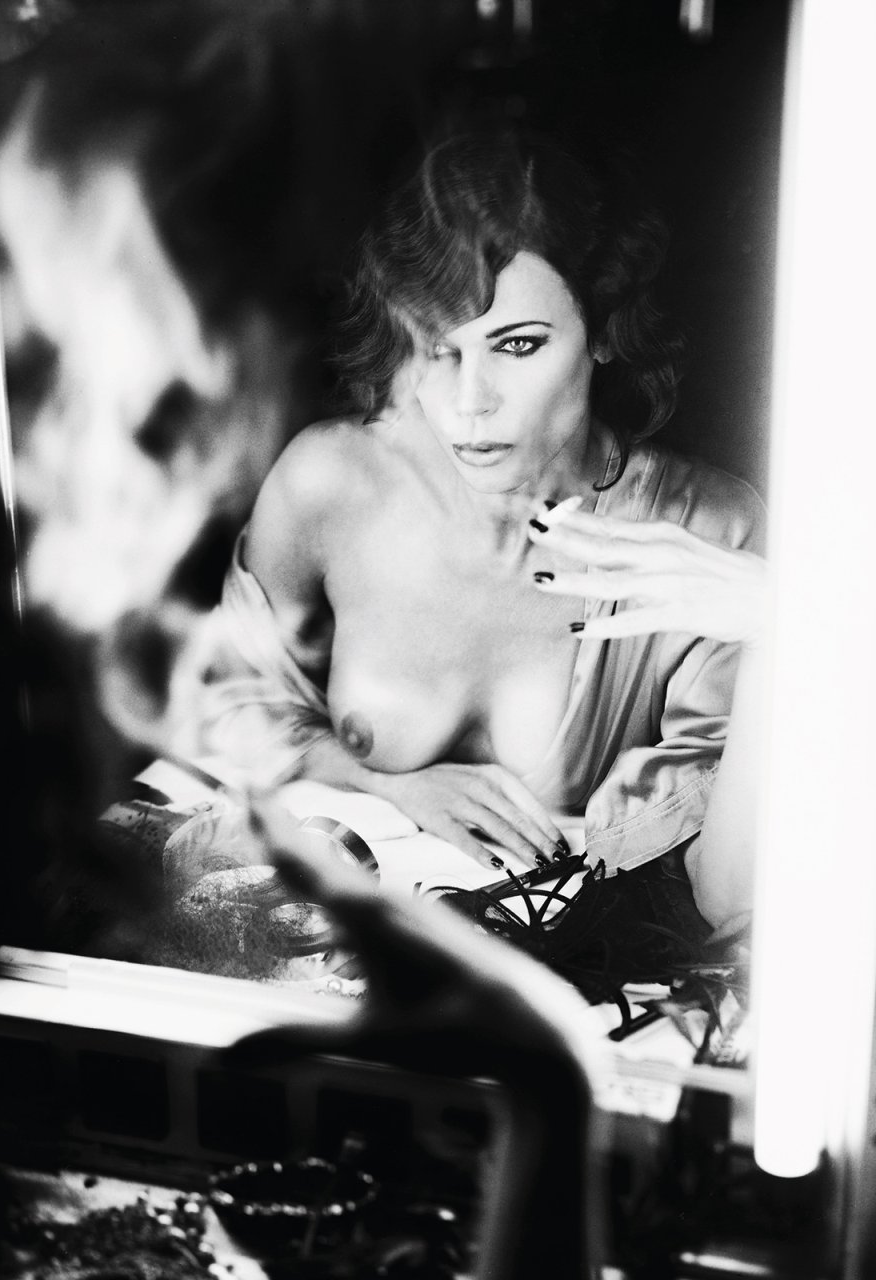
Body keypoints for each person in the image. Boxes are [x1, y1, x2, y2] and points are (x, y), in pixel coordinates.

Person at [183, 129, 766, 937]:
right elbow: (225, 708)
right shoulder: (333, 479)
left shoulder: (708, 531)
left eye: (518, 345)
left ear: (603, 331)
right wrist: (383, 782)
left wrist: (784, 636)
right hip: (330, 956)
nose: (468, 403)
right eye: (436, 350)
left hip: (564, 984)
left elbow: (729, 898)